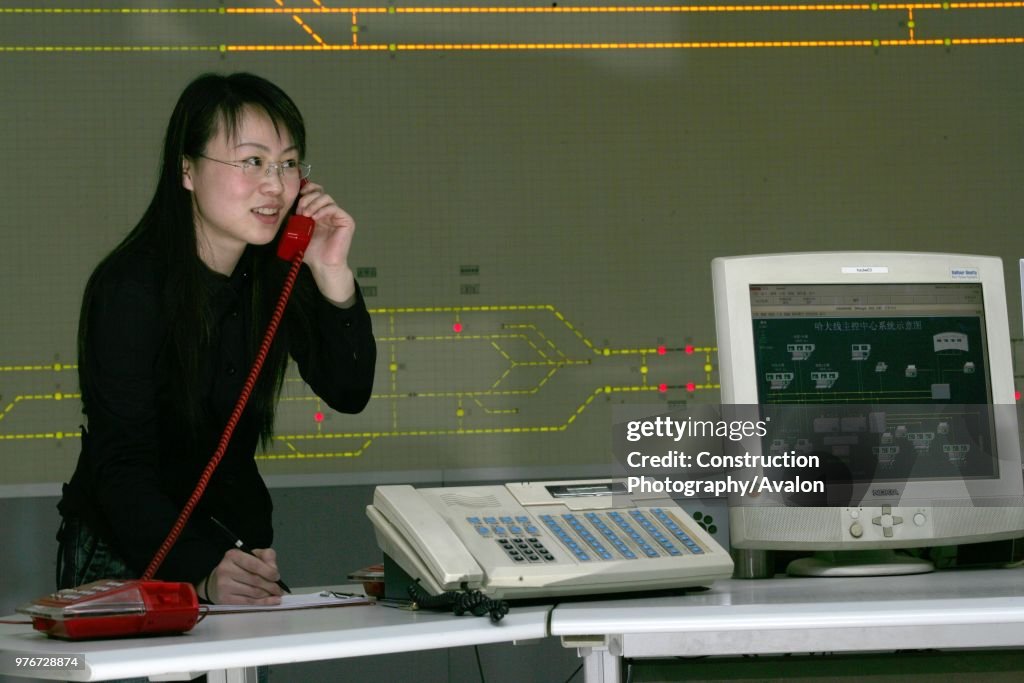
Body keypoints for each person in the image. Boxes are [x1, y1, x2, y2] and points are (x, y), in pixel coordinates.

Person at [56, 72, 376, 606]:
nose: (275, 184)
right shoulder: (129, 288)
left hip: (235, 545)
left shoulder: (276, 270)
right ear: (187, 170)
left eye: (288, 163)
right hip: (129, 550)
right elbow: (123, 466)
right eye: (252, 162)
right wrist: (201, 572)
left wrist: (331, 271)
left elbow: (349, 391)